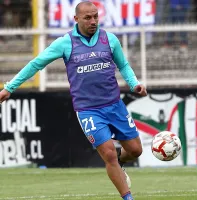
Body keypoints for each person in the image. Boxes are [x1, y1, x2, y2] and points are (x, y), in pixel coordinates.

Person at [0, 2, 147, 200]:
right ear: (76, 19)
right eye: (88, 17)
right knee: (109, 154)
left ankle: (121, 161)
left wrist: (134, 85)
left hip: (115, 105)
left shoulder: (109, 39)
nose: (93, 21)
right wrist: (9, 88)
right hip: (88, 110)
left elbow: (124, 65)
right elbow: (36, 64)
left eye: (95, 16)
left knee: (136, 150)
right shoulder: (65, 43)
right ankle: (128, 197)